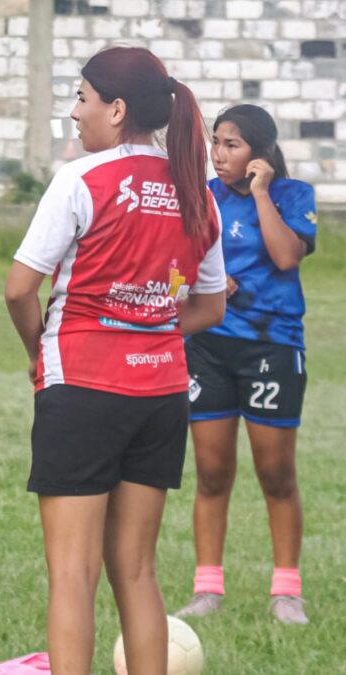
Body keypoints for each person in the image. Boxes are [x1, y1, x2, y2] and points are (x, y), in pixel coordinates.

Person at [4, 47, 227, 675]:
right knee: (137, 571)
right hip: (160, 392)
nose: (76, 114)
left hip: (82, 384)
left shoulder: (82, 179)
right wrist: (150, 324)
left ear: (117, 108)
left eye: (81, 99)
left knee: (72, 576)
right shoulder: (196, 193)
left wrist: (35, 351)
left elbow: (20, 288)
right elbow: (210, 307)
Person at [174, 105, 316, 626]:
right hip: (209, 347)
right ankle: (207, 589)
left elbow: (286, 258)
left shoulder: (292, 195)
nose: (218, 153)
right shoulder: (201, 197)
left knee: (276, 474)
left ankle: (287, 592)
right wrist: (201, 283)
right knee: (211, 473)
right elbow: (175, 265)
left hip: (271, 347)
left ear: (259, 152)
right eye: (216, 142)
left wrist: (259, 193)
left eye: (232, 144)